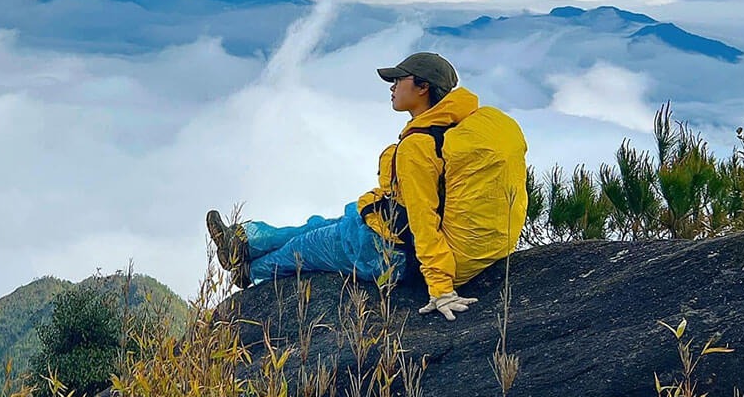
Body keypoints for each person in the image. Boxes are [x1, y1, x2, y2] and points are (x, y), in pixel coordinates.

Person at [206, 52, 528, 321]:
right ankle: (242, 241)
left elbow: (424, 222)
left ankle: (248, 268)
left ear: (422, 87)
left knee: (300, 250)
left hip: (387, 251)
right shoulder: (457, 126)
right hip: (388, 226)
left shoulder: (420, 146)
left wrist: (441, 289)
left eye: (398, 80)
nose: (392, 87)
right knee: (318, 225)